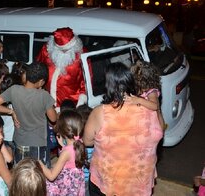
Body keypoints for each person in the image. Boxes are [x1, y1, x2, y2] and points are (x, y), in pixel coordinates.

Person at [83, 62, 163, 196]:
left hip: (107, 182)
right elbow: (159, 132)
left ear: (107, 86)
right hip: (139, 183)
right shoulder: (149, 109)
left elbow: (87, 141)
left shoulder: (99, 113)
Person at [0, 62, 57, 167]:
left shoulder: (14, 89)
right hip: (37, 142)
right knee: (37, 174)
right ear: (41, 81)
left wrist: (11, 112)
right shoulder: (44, 95)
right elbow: (53, 118)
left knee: (22, 172)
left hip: (19, 141)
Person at [36, 27, 88, 110]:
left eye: (67, 49)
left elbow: (86, 80)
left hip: (70, 103)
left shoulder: (82, 54)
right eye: (61, 50)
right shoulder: (47, 50)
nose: (64, 52)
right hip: (48, 100)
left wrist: (81, 101)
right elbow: (38, 69)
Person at [39, 110, 86, 196]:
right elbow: (71, 158)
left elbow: (51, 176)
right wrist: (63, 146)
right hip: (75, 184)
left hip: (66, 187)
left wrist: (40, 164)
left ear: (62, 131)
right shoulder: (79, 143)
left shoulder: (66, 153)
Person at [127, 60, 165, 130]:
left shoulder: (152, 92)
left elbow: (155, 106)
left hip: (154, 127)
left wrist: (138, 100)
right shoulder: (141, 90)